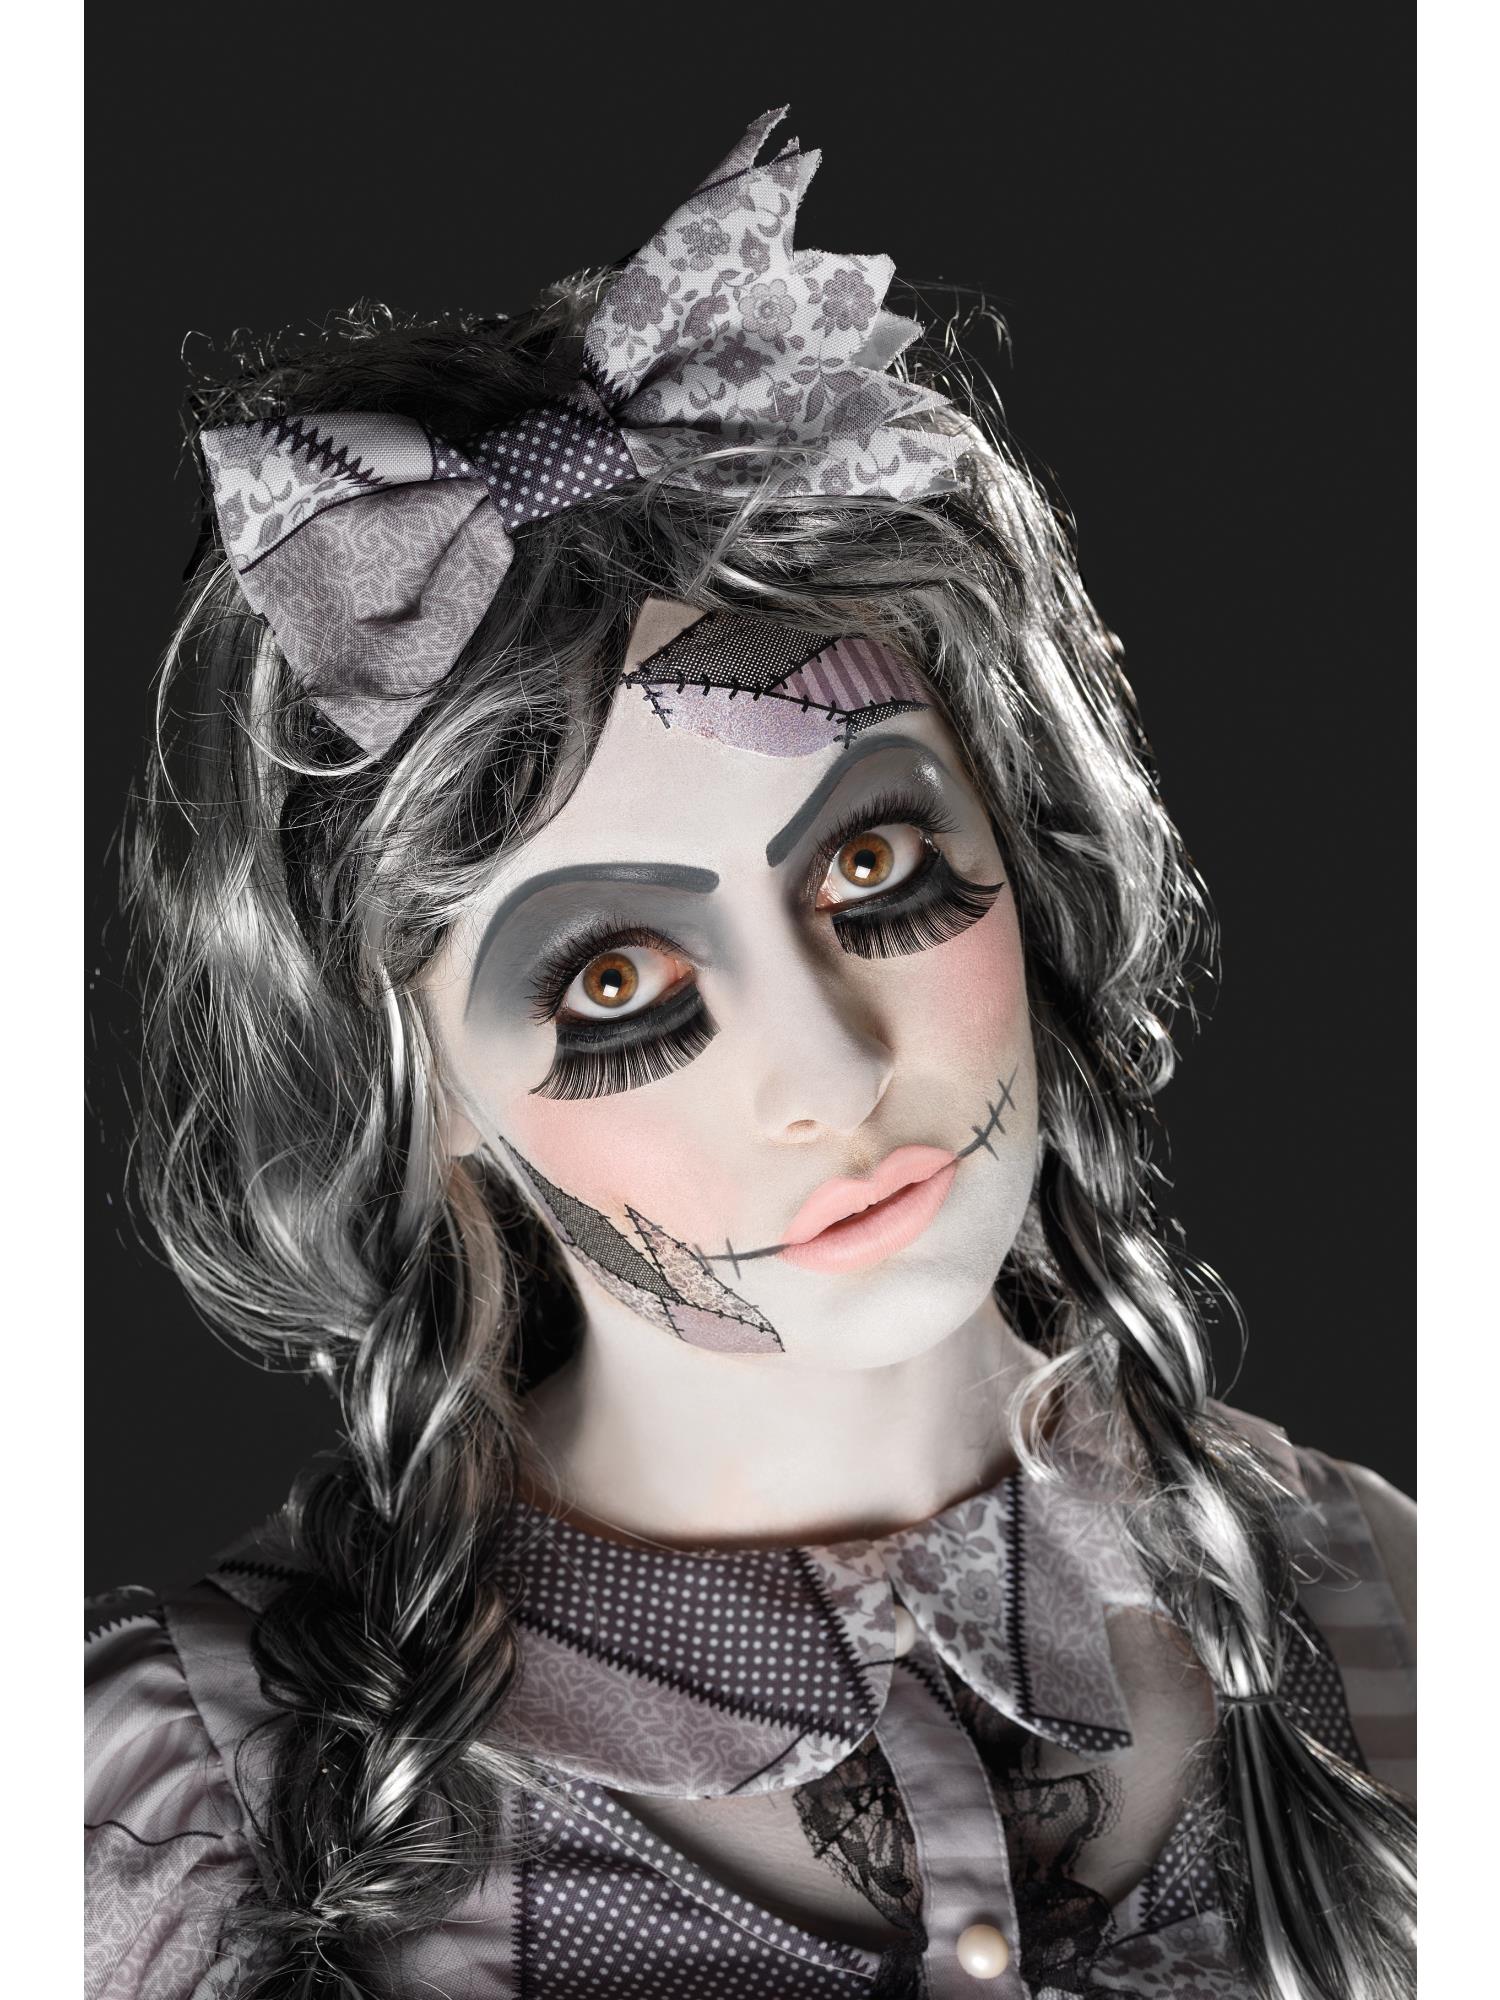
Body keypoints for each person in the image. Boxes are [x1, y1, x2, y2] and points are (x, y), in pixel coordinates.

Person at [85, 110, 1416, 2000]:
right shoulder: (187, 1807)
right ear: (420, 1086)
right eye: (619, 978)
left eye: (871, 864)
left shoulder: (1390, 1612)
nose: (834, 1070)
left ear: (1015, 840)